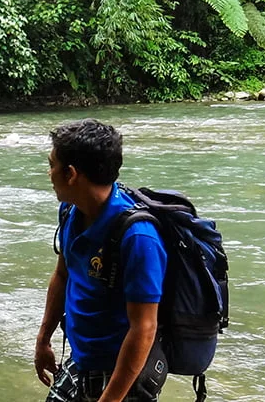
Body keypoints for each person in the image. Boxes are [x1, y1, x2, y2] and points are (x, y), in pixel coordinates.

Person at [33, 119, 168, 402]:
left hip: (121, 374)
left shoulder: (138, 237)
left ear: (71, 174)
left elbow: (144, 328)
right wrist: (44, 339)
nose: (49, 173)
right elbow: (62, 275)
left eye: (52, 164)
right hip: (80, 360)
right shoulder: (71, 211)